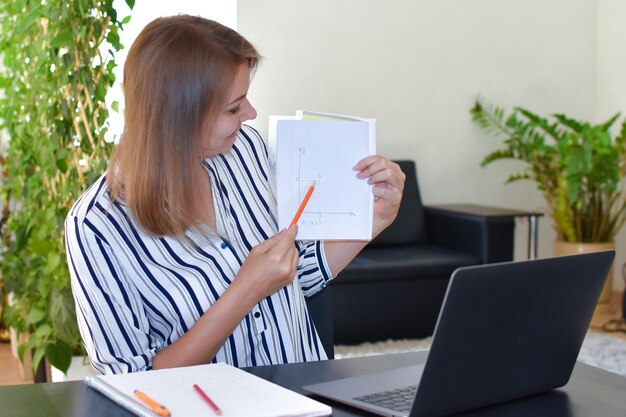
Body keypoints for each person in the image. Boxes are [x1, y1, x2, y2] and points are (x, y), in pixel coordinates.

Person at [65, 14, 405, 374]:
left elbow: (296, 273)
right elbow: (131, 383)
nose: (251, 114)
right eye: (233, 107)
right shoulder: (96, 227)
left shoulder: (246, 150)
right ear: (178, 116)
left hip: (308, 395)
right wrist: (244, 292)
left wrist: (374, 220)